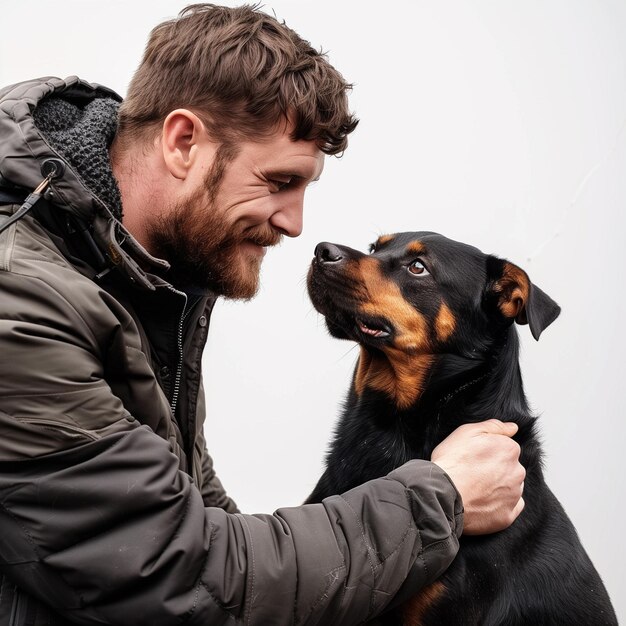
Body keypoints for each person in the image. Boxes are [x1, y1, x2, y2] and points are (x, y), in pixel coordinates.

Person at [0, 5, 525, 625]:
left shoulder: (141, 278)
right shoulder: (21, 303)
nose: (294, 223)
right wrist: (443, 500)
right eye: (278, 181)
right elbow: (182, 576)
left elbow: (202, 524)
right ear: (182, 141)